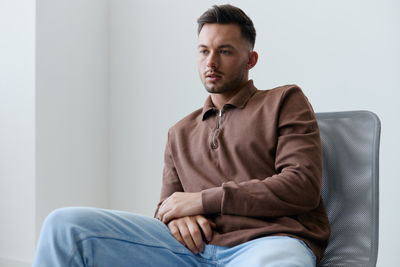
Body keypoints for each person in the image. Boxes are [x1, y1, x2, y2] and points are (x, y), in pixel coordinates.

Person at [33, 4, 330, 267]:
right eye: (204, 51)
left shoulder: (284, 101)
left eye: (224, 51)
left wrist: (202, 201)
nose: (211, 62)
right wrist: (178, 218)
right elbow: (167, 207)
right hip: (189, 251)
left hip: (268, 242)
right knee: (65, 225)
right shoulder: (180, 131)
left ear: (250, 59)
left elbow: (301, 185)